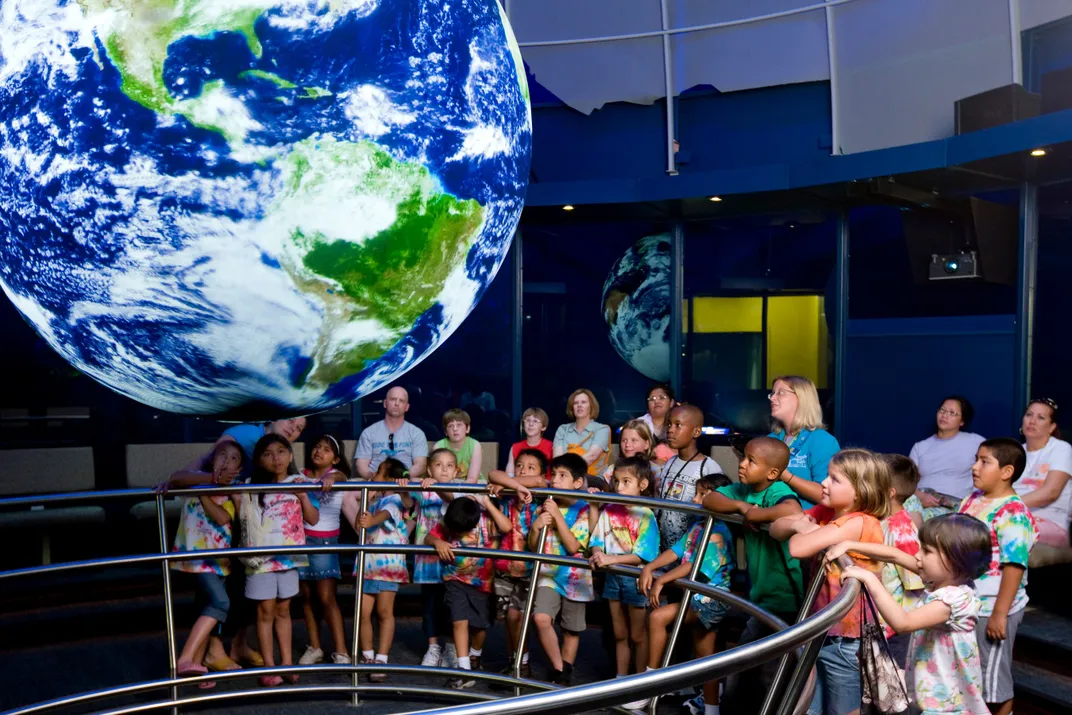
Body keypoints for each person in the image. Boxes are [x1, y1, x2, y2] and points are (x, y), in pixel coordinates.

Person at [828, 514, 993, 715]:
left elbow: (903, 623)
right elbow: (895, 555)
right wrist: (850, 545)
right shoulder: (942, 578)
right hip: (928, 692)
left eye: (927, 551)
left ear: (955, 561)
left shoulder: (955, 599)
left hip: (946, 705)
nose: (917, 555)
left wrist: (870, 579)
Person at [770, 449, 891, 715]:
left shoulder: (860, 522)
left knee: (842, 710)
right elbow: (776, 527)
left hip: (848, 640)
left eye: (835, 479)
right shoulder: (828, 512)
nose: (824, 483)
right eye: (827, 476)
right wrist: (800, 525)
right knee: (809, 707)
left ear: (859, 491)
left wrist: (803, 527)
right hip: (822, 629)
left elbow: (798, 548)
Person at [701, 437, 804, 715]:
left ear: (772, 473)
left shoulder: (776, 489)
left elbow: (793, 510)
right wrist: (741, 508)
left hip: (781, 597)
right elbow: (710, 498)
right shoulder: (743, 491)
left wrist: (758, 514)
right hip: (760, 596)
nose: (742, 464)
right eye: (743, 458)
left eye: (751, 461)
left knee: (751, 671)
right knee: (753, 671)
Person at [637, 474, 734, 715]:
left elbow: (693, 565)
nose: (694, 498)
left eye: (702, 494)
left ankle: (649, 686)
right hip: (696, 597)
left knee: (658, 617)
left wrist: (662, 579)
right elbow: (676, 551)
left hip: (711, 601)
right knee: (705, 659)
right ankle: (712, 709)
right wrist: (650, 567)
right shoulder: (698, 526)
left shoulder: (718, 531)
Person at [958, 438, 1039, 715]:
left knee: (992, 685)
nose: (975, 467)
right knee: (971, 679)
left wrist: (999, 614)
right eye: (976, 459)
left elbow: (1014, 565)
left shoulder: (1014, 513)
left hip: (993, 607)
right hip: (971, 602)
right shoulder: (972, 500)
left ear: (1007, 472)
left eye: (984, 461)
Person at [239, 434, 319, 687]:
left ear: (291, 455)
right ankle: (269, 665)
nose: (276, 458)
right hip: (260, 559)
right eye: (268, 454)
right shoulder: (250, 485)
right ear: (259, 460)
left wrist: (303, 496)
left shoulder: (299, 481)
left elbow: (313, 519)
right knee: (264, 613)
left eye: (282, 451)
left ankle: (286, 662)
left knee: (284, 610)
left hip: (288, 558)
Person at [170, 441, 244, 686]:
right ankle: (186, 658)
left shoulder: (232, 492)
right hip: (197, 558)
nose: (226, 460)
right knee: (220, 602)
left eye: (233, 458)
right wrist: (203, 483)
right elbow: (176, 477)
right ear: (211, 460)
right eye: (222, 455)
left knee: (205, 606)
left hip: (219, 560)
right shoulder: (196, 480)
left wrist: (202, 493)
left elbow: (222, 517)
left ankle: (197, 666)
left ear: (239, 467)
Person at [426, 494, 512, 689]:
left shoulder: (485, 520)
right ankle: (463, 669)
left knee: (480, 626)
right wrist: (437, 542)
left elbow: (506, 527)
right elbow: (429, 536)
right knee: (459, 620)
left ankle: (474, 657)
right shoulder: (451, 519)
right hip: (454, 579)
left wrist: (487, 504)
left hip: (483, 583)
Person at [589, 457, 660, 684]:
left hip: (635, 579)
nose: (619, 488)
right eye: (617, 481)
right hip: (613, 578)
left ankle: (639, 683)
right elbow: (597, 538)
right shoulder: (609, 509)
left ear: (642, 484)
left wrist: (609, 558)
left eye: (626, 481)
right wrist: (598, 553)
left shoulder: (646, 514)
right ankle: (621, 680)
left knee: (638, 635)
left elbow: (643, 555)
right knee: (620, 634)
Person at [530, 453, 593, 685]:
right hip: (548, 574)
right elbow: (533, 547)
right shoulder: (544, 505)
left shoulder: (584, 509)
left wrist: (557, 515)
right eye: (553, 475)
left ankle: (564, 672)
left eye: (562, 476)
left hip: (576, 577)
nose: (555, 480)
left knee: (571, 629)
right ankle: (559, 667)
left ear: (577, 483)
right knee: (541, 618)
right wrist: (536, 528)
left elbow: (573, 546)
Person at [487, 449, 546, 678]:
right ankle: (515, 662)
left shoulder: (541, 493)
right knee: (508, 619)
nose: (524, 471)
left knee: (517, 616)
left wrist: (511, 483)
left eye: (531, 467)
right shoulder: (511, 495)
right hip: (504, 567)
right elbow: (493, 473)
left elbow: (539, 481)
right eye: (519, 465)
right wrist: (516, 486)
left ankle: (523, 662)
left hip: (528, 568)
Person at [296, 435, 351, 667]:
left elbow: (341, 476)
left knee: (327, 597)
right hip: (301, 541)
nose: (319, 451)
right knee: (306, 597)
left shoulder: (337, 477)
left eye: (326, 449)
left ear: (336, 458)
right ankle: (315, 646)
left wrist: (332, 476)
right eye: (316, 446)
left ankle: (342, 651)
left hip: (325, 542)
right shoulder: (301, 475)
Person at [354, 458, 411, 683]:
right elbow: (363, 518)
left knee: (384, 612)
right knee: (363, 612)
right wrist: (368, 497)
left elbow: (383, 516)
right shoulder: (377, 498)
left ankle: (382, 658)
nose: (374, 474)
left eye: (378, 471)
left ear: (389, 478)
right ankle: (367, 656)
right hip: (369, 564)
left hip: (387, 566)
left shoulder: (394, 499)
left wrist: (371, 519)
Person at [402, 448, 459, 669]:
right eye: (438, 464)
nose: (444, 469)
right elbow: (407, 504)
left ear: (456, 470)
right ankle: (433, 646)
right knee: (430, 606)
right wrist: (405, 487)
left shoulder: (459, 488)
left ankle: (452, 648)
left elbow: (451, 499)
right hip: (427, 560)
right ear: (429, 468)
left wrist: (435, 484)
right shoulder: (424, 491)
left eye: (449, 465)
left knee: (452, 606)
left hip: (451, 559)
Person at [878, 454, 927, 666]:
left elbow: (917, 583)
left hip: (894, 630)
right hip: (878, 623)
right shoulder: (881, 520)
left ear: (889, 492)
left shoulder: (902, 531)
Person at [656, 404, 724, 550]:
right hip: (665, 549)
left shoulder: (708, 467)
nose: (670, 430)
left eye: (678, 425)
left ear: (696, 432)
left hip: (691, 549)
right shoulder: (669, 463)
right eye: (669, 424)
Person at [767, 375, 840, 509]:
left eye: (780, 393)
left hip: (808, 523)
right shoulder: (770, 439)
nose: (772, 398)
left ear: (802, 398)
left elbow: (827, 495)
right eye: (772, 393)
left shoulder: (822, 441)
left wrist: (786, 476)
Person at [909, 396, 985, 517]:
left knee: (917, 518)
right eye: (942, 410)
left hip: (954, 505)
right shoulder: (920, 447)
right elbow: (907, 480)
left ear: (962, 421)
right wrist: (921, 496)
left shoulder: (975, 442)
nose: (944, 415)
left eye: (952, 413)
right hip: (919, 500)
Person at [1016, 398, 1072, 547]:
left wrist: (1004, 505)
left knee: (1005, 529)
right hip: (1012, 517)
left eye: (1041, 418)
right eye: (1029, 415)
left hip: (1050, 523)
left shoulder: (1061, 448)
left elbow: (1051, 492)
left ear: (1052, 427)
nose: (1032, 421)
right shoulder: (1014, 452)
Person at [355, 386, 428, 479]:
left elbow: (421, 465)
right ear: (385, 403)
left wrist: (403, 477)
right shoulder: (368, 433)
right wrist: (375, 478)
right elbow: (361, 464)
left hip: (405, 484)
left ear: (407, 407)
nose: (397, 403)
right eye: (393, 399)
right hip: (375, 483)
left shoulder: (417, 433)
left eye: (401, 401)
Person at [552, 388, 612, 478]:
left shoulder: (602, 429)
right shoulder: (563, 429)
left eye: (583, 402)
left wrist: (568, 473)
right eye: (576, 403)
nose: (579, 405)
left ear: (591, 406)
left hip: (593, 479)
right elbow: (557, 459)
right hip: (564, 477)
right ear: (572, 407)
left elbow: (591, 457)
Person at [435, 409, 483, 484]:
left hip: (472, 484)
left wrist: (459, 493)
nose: (455, 429)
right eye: (450, 426)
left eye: (459, 425)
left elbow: (472, 478)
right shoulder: (439, 446)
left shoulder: (475, 445)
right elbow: (436, 475)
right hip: (446, 484)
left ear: (467, 429)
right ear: (446, 432)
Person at [604, 419, 658, 486]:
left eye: (634, 440)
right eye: (624, 440)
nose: (627, 445)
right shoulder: (611, 470)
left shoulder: (656, 471)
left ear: (647, 444)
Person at [505, 408, 554, 478]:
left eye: (535, 421)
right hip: (518, 484)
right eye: (528, 420)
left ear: (543, 427)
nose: (531, 424)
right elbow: (509, 476)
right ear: (523, 426)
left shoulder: (551, 447)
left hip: (544, 487)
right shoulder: (515, 448)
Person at [640, 383, 677, 463]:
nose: (656, 401)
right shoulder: (638, 424)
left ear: (671, 402)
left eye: (661, 398)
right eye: (652, 399)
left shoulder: (679, 423)